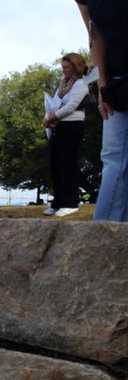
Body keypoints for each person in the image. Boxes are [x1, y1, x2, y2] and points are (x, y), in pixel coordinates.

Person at [76, 0, 128, 222]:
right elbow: (95, 37)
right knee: (113, 161)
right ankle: (102, 237)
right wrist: (102, 87)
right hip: (118, 85)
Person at [43, 53, 90, 217]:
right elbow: (52, 104)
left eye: (67, 67)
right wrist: (47, 118)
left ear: (76, 66)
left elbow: (71, 107)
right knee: (55, 164)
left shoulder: (81, 84)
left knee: (68, 164)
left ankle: (71, 203)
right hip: (59, 126)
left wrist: (53, 117)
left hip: (73, 126)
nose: (64, 70)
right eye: (62, 67)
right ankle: (58, 202)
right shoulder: (62, 84)